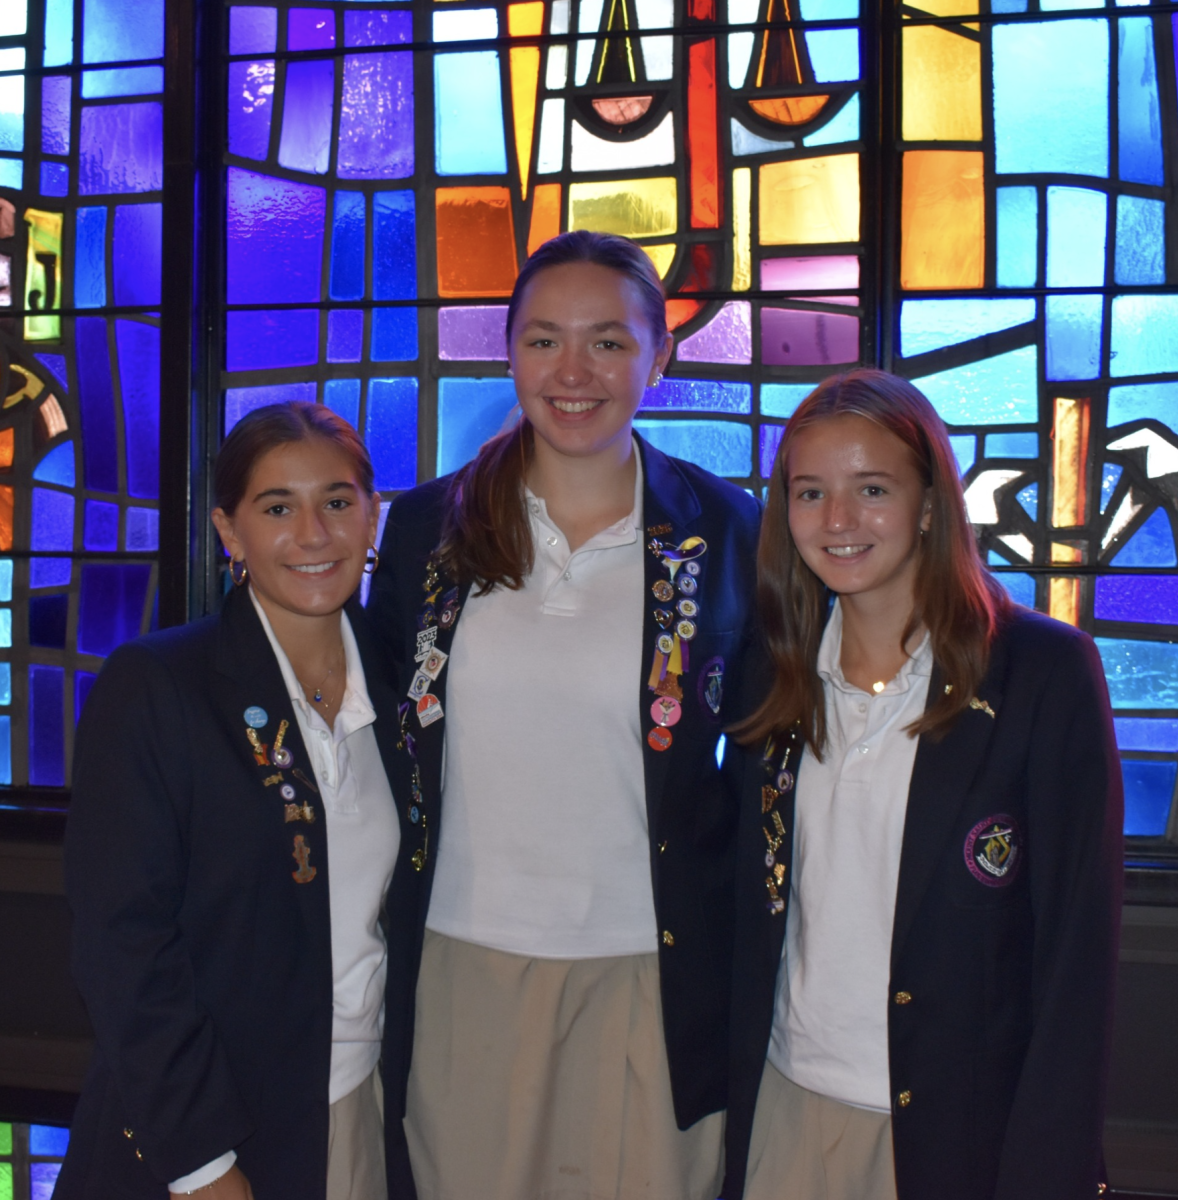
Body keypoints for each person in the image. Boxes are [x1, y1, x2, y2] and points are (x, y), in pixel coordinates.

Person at [366, 229, 762, 1200]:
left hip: (652, 975)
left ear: (659, 357)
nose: (572, 371)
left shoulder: (728, 532)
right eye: (543, 340)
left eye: (609, 342)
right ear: (508, 352)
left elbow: (765, 762)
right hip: (465, 969)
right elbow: (376, 744)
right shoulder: (426, 529)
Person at [723, 369, 1124, 1200]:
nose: (837, 521)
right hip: (788, 1103)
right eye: (808, 492)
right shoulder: (772, 665)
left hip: (953, 1126)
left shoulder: (1042, 672)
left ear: (931, 503)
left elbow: (1074, 955)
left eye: (871, 489)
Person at [57, 402, 412, 1200]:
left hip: (359, 1106)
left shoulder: (402, 686)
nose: (313, 534)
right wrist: (202, 1163)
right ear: (229, 533)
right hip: (206, 1130)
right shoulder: (158, 685)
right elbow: (122, 945)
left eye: (337, 501)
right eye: (277, 508)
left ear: (372, 515)